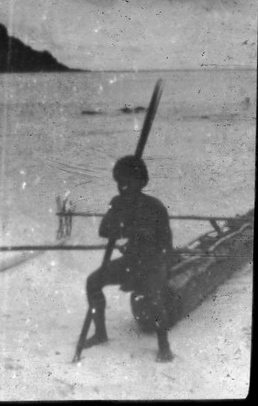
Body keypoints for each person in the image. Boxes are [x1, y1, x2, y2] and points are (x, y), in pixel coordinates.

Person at [84, 155, 174, 362]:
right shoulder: (117, 204)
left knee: (154, 297)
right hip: (130, 262)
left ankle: (164, 345)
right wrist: (130, 229)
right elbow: (104, 230)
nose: (122, 188)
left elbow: (166, 245)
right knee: (93, 282)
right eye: (119, 183)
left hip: (152, 264)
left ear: (142, 182)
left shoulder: (155, 207)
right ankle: (100, 333)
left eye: (127, 183)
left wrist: (162, 271)